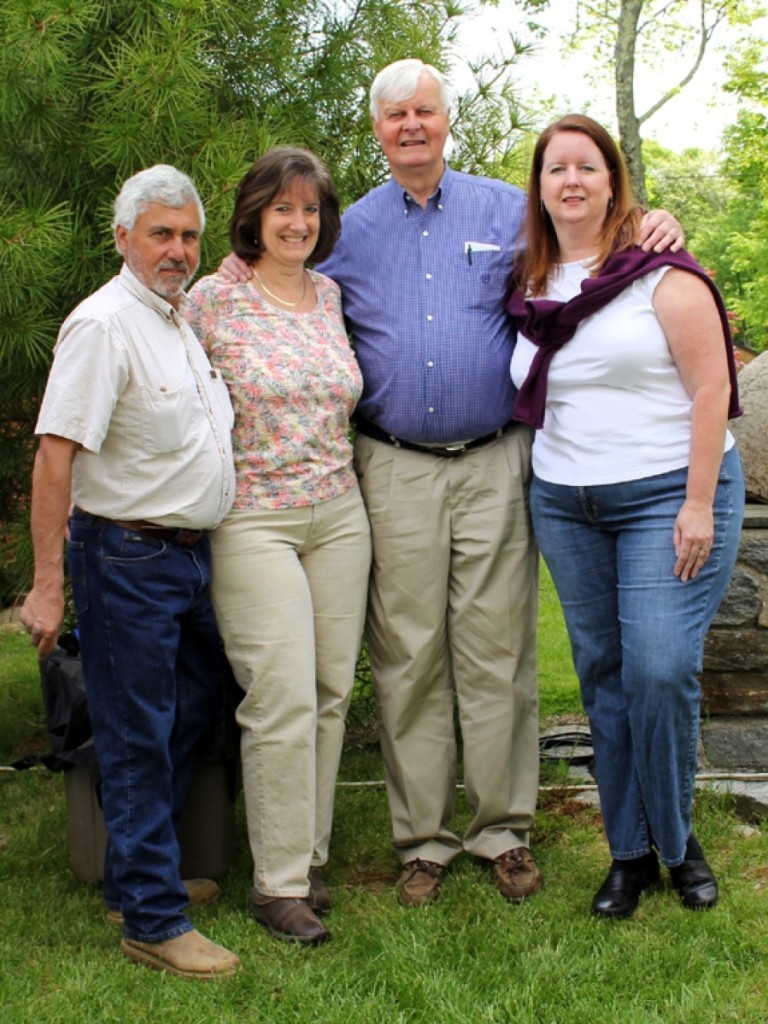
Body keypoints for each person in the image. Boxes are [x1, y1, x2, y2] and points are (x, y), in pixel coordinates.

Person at [220, 59, 682, 907]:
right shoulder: (346, 228)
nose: (411, 126)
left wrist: (653, 221)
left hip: (497, 458)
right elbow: (270, 273)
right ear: (377, 130)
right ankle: (423, 840)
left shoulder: (506, 211)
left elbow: (590, 241)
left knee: (498, 650)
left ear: (446, 120)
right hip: (392, 465)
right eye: (395, 115)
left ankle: (502, 831)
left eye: (425, 111)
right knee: (408, 655)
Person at [507, 114, 744, 919]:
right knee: (605, 676)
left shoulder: (660, 269)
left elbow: (713, 388)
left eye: (586, 167)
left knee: (658, 669)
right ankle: (630, 853)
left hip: (664, 493)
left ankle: (679, 845)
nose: (570, 181)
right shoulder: (530, 281)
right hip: (566, 502)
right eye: (554, 170)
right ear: (539, 189)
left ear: (613, 181)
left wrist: (700, 503)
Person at [19, 166, 241, 979]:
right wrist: (49, 584)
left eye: (187, 235)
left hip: (184, 557)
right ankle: (153, 919)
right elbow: (54, 457)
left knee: (190, 710)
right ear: (123, 239)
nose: (178, 249)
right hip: (126, 558)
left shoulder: (175, 322)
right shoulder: (105, 325)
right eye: (161, 234)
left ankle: (134, 877)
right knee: (137, 733)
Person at [185, 147, 371, 946]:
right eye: (283, 208)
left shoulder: (329, 295)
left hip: (338, 513)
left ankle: (309, 851)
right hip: (254, 520)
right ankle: (277, 885)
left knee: (330, 690)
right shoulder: (212, 300)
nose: (299, 223)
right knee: (281, 693)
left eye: (311, 210)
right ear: (254, 214)